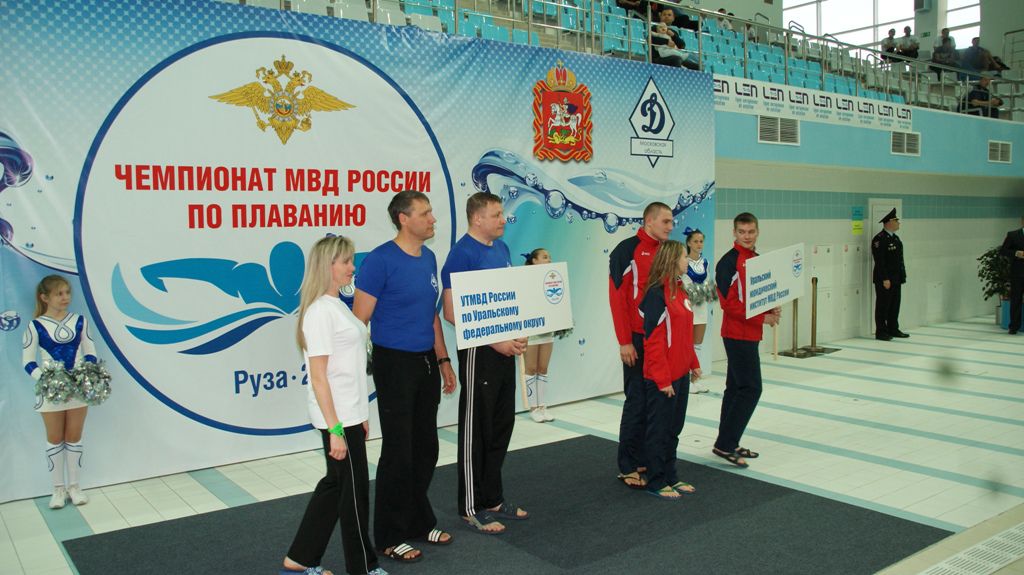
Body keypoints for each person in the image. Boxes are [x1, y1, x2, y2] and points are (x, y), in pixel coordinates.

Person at [353, 191, 457, 563]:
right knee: (398, 450)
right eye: (424, 213)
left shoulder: (428, 258)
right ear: (403, 218)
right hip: (393, 363)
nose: (432, 219)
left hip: (425, 361)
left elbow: (431, 315)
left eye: (431, 212)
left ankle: (417, 521)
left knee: (425, 447)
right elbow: (358, 323)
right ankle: (389, 535)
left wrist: (443, 359)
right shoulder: (380, 261)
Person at [282, 236, 387, 575]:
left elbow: (349, 368)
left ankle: (299, 559)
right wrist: (336, 429)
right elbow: (319, 377)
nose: (352, 268)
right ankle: (363, 567)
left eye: (351, 261)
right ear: (327, 266)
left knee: (336, 486)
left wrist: (361, 415)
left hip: (349, 415)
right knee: (355, 494)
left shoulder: (337, 304)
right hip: (336, 419)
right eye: (346, 261)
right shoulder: (319, 312)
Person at [441, 192, 529, 535]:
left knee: (501, 424)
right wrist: (496, 341)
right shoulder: (461, 254)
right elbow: (451, 312)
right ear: (477, 218)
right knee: (476, 429)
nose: (503, 219)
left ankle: (492, 498)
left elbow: (508, 300)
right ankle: (470, 507)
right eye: (496, 215)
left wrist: (518, 333)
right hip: (480, 351)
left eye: (502, 213)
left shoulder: (502, 249)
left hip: (504, 349)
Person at [608, 202, 674, 490]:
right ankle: (627, 464)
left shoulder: (667, 251)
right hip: (636, 339)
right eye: (666, 221)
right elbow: (617, 298)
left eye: (671, 222)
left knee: (655, 402)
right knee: (636, 401)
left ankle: (646, 457)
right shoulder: (626, 250)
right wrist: (624, 341)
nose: (671, 226)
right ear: (649, 221)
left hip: (659, 340)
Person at [22, 275, 97, 509]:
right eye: (59, 294)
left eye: (67, 293)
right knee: (54, 439)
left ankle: (74, 487)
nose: (65, 298)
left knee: (74, 437)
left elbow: (91, 353)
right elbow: (28, 362)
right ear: (44, 297)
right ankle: (57, 490)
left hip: (78, 389)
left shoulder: (80, 321)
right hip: (50, 391)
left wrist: (83, 375)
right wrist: (49, 380)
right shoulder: (35, 326)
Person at [713, 213, 780, 468]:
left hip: (749, 333)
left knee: (735, 389)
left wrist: (771, 309)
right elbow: (728, 304)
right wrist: (762, 318)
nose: (747, 236)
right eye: (742, 232)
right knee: (751, 389)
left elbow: (759, 295)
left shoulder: (757, 260)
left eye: (751, 231)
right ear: (734, 233)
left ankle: (727, 441)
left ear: (757, 231)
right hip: (736, 334)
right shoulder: (728, 263)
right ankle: (726, 443)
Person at [639, 240, 701, 500]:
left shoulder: (680, 290)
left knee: (674, 428)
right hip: (662, 378)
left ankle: (670, 475)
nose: (688, 260)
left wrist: (693, 363)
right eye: (685, 256)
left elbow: (684, 334)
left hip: (680, 373)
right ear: (673, 260)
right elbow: (653, 342)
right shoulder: (656, 295)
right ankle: (655, 480)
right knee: (659, 430)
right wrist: (662, 379)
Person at [522, 248, 557, 423]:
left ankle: (543, 406)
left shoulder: (552, 280)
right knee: (531, 368)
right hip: (531, 329)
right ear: (534, 261)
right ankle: (533, 408)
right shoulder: (525, 279)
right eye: (545, 257)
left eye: (549, 257)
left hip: (547, 329)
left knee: (543, 368)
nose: (549, 260)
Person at [871, 208, 908, 341]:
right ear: (889, 222)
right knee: (883, 306)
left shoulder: (896, 238)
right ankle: (881, 331)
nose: (898, 223)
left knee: (894, 305)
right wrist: (885, 278)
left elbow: (899, 260)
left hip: (896, 278)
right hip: (885, 280)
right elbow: (880, 261)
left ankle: (893, 328)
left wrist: (902, 276)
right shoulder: (879, 239)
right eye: (896, 220)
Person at [681, 228, 711, 394]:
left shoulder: (705, 262)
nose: (699, 244)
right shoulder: (683, 261)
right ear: (689, 243)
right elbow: (680, 284)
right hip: (687, 307)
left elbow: (708, 283)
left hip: (701, 307)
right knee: (687, 345)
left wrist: (707, 293)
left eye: (701, 241)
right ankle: (685, 381)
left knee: (697, 344)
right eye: (695, 241)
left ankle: (694, 380)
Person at [1000, 216, 1024, 335]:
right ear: (1022, 221)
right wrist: (1016, 253)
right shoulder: (1013, 235)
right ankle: (1014, 326)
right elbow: (1003, 251)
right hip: (1018, 273)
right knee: (1016, 299)